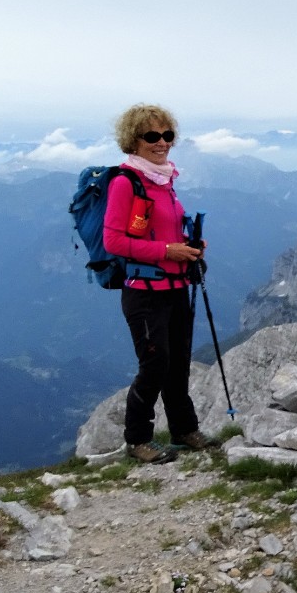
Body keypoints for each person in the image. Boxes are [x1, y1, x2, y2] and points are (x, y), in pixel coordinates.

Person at [103, 104, 213, 464]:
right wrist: (169, 250)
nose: (162, 142)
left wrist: (189, 247)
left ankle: (184, 429)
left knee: (178, 363)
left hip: (176, 287)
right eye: (152, 136)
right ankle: (137, 440)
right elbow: (114, 242)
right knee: (154, 366)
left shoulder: (165, 181)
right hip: (144, 294)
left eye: (168, 135)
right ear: (132, 141)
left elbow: (163, 230)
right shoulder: (126, 182)